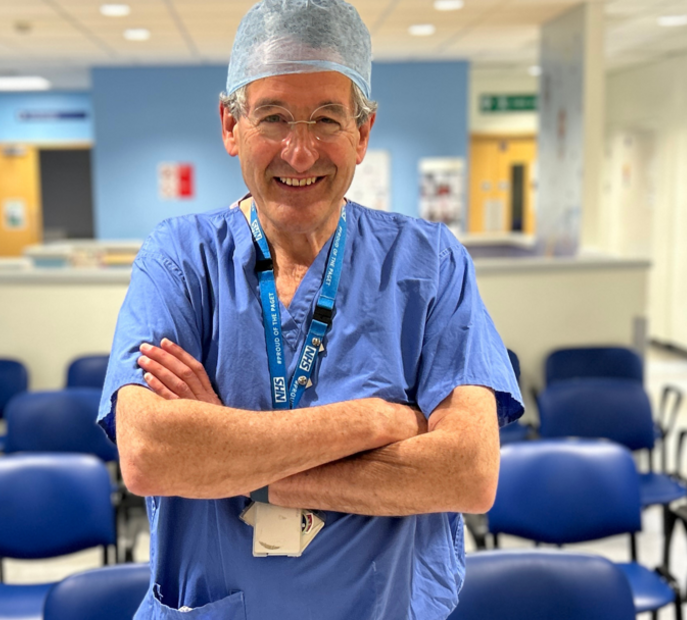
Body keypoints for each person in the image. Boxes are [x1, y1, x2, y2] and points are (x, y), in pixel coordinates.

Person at [99, 0, 523, 617]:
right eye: (272, 117)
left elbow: (466, 472)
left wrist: (229, 456)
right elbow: (150, 454)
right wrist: (376, 421)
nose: (300, 152)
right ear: (230, 124)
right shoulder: (180, 260)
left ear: (363, 132)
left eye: (327, 119)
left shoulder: (429, 264)